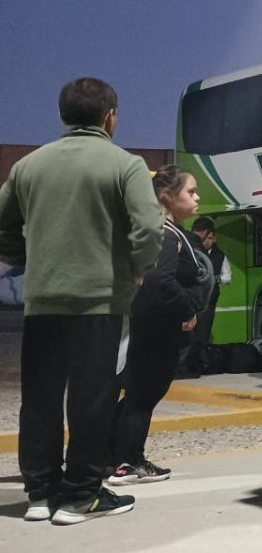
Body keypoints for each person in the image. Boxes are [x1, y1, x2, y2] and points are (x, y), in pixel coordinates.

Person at [0, 77, 163, 524]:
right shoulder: (124, 164)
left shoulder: (29, 167)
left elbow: (3, 228)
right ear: (110, 116)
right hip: (99, 302)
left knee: (39, 399)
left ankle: (39, 492)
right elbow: (149, 228)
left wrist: (24, 260)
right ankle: (80, 495)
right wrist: (136, 270)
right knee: (91, 399)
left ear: (63, 115)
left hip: (43, 299)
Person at [110, 165, 209, 485]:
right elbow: (160, 283)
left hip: (151, 327)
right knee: (144, 395)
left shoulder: (160, 230)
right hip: (158, 330)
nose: (197, 198)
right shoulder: (165, 234)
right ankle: (128, 462)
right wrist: (186, 312)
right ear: (167, 197)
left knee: (140, 394)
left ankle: (108, 454)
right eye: (190, 192)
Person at [182, 216, 231, 377]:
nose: (207, 241)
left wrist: (215, 278)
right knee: (190, 334)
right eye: (205, 238)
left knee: (203, 333)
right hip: (192, 300)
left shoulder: (219, 255)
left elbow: (227, 277)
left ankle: (200, 365)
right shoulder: (191, 250)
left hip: (209, 301)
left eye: (210, 238)